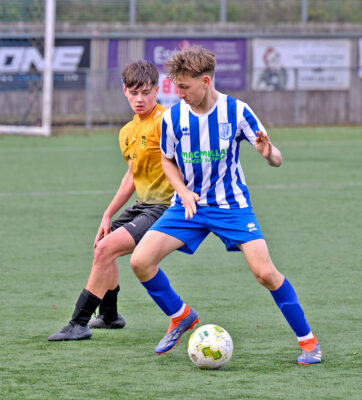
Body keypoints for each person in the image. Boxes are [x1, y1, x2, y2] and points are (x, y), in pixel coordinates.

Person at [130, 46, 322, 365]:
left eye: (185, 87)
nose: (179, 94)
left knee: (265, 273)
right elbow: (167, 160)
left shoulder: (237, 111)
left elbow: (276, 158)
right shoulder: (173, 117)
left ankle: (309, 342)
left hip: (231, 206)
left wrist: (268, 154)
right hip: (188, 207)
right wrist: (183, 191)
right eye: (177, 87)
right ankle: (180, 315)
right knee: (140, 261)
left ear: (205, 81)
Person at [48, 60, 174, 341]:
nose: (139, 99)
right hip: (143, 206)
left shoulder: (167, 122)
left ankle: (78, 323)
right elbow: (131, 175)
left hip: (165, 208)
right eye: (134, 92)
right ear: (124, 91)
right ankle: (109, 315)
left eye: (145, 92)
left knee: (106, 249)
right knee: (103, 247)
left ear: (156, 90)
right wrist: (107, 214)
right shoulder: (127, 131)